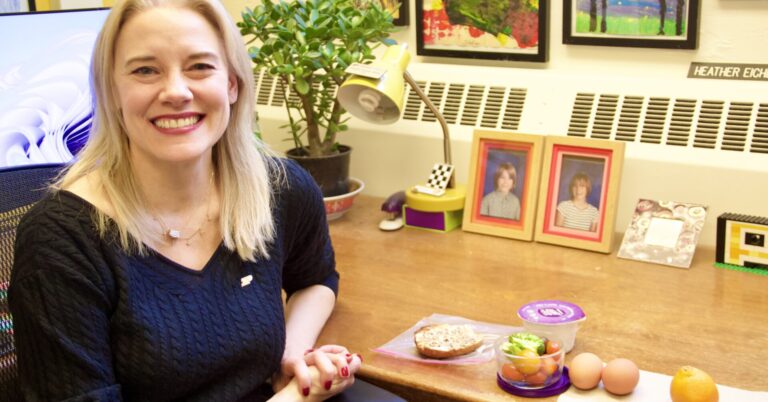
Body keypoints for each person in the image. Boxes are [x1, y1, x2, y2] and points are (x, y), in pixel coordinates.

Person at [8, 0, 363, 400]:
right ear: (111, 91)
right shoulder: (60, 240)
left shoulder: (278, 188)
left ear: (232, 83)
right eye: (145, 70)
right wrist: (297, 396)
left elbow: (316, 279)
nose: (176, 91)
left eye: (200, 67)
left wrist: (291, 354)